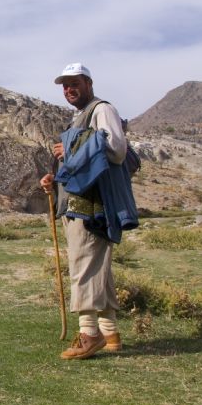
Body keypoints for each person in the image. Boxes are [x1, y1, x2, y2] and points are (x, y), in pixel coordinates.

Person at [40, 62, 128, 360]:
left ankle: (89, 334)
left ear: (88, 83)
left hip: (91, 206)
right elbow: (78, 164)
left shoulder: (102, 109)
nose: (69, 89)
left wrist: (72, 149)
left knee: (83, 266)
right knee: (96, 267)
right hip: (75, 203)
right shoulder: (77, 118)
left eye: (74, 83)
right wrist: (54, 177)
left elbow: (116, 149)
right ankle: (110, 331)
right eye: (65, 85)